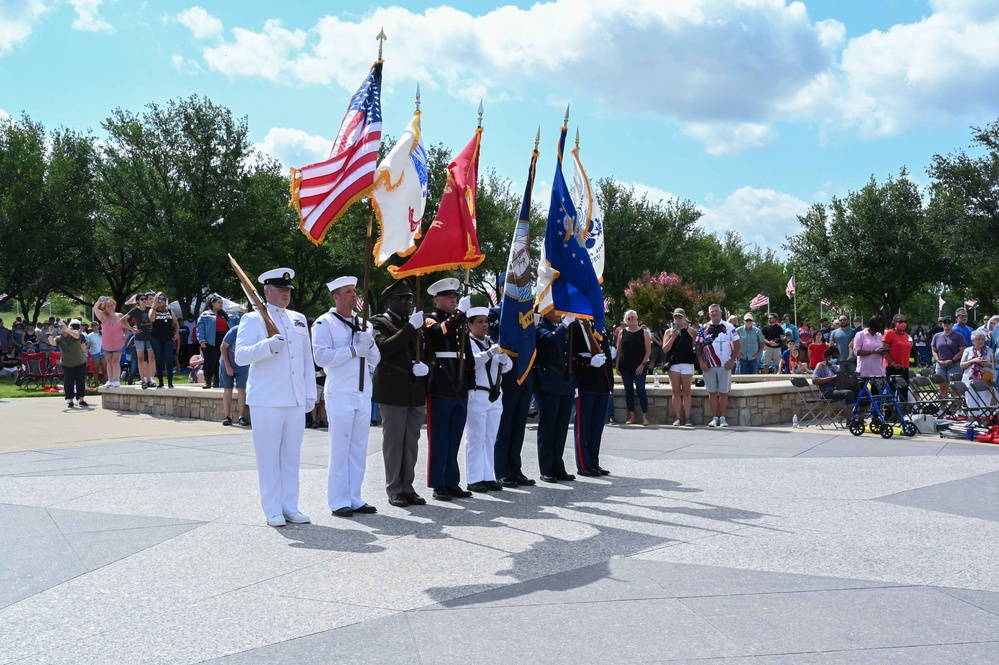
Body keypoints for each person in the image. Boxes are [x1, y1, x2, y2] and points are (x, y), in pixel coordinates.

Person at [234, 268, 315, 528]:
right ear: (266, 292)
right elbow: (241, 356)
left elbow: (306, 362)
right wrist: (267, 346)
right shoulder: (253, 319)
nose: (286, 294)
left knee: (291, 457)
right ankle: (272, 508)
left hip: (294, 398)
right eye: (281, 289)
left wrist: (310, 394)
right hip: (267, 399)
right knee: (269, 458)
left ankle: (290, 505)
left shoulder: (299, 319)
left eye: (288, 290)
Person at [312, 276, 381, 517]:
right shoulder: (324, 323)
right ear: (336, 296)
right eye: (348, 292)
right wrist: (352, 350)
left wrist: (368, 345)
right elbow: (320, 358)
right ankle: (339, 500)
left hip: (363, 391)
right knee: (340, 446)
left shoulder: (365, 325)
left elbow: (376, 360)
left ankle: (355, 497)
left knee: (359, 447)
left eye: (355, 291)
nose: (354, 295)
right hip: (340, 391)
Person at [370, 279, 430, 507]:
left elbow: (428, 353)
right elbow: (385, 347)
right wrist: (410, 328)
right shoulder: (378, 322)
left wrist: (427, 367)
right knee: (394, 443)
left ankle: (408, 486)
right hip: (392, 392)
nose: (407, 302)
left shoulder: (415, 324)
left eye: (409, 298)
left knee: (411, 443)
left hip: (415, 391)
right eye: (402, 298)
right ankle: (394, 488)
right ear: (390, 301)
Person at [423, 278, 475, 500]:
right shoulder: (429, 318)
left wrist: (470, 382)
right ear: (437, 300)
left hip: (459, 386)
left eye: (455, 297)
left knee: (454, 436)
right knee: (439, 437)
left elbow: (467, 353)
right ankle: (438, 483)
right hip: (441, 384)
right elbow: (438, 331)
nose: (453, 299)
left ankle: (452, 481)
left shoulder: (460, 322)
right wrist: (461, 314)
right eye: (448, 297)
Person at [464, 307, 513, 492]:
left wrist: (504, 359)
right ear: (469, 325)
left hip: (495, 394)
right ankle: (474, 478)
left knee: (490, 437)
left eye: (486, 321)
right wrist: (490, 354)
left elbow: (507, 368)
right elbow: (472, 362)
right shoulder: (468, 342)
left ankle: (487, 475)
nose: (484, 325)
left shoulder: (492, 341)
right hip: (477, 394)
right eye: (480, 322)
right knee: (476, 437)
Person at [535, 309, 576, 483]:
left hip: (564, 384)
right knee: (548, 427)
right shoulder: (539, 327)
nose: (558, 313)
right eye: (554, 309)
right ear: (545, 311)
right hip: (548, 384)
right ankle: (546, 469)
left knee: (560, 428)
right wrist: (565, 325)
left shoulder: (560, 328)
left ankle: (558, 466)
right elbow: (550, 340)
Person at [571, 321, 613, 476]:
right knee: (583, 427)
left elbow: (606, 356)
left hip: (602, 384)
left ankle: (593, 462)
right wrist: (588, 362)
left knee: (596, 428)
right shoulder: (576, 326)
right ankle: (583, 464)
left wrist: (610, 383)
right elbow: (571, 356)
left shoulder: (600, 326)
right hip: (585, 384)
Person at [696, 304, 740, 427]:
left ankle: (723, 418)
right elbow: (698, 346)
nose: (714, 313)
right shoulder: (703, 328)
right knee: (712, 392)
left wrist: (732, 360)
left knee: (724, 392)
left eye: (716, 311)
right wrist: (701, 361)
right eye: (712, 312)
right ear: (709, 313)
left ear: (720, 313)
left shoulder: (729, 327)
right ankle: (715, 417)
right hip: (709, 365)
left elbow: (737, 344)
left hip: (724, 365)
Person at [662, 308, 697, 427]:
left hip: (687, 363)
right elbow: (665, 349)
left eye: (680, 317)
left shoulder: (691, 331)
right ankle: (677, 417)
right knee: (676, 391)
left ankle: (687, 418)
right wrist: (672, 337)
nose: (678, 319)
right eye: (676, 317)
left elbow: (697, 347)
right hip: (674, 364)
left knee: (687, 391)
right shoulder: (668, 332)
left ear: (684, 318)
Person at [615, 310, 651, 425]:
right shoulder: (622, 333)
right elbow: (619, 350)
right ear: (626, 320)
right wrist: (617, 365)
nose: (633, 319)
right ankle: (632, 416)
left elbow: (648, 350)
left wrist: (642, 364)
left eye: (634, 317)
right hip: (626, 366)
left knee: (641, 389)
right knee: (628, 391)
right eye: (630, 318)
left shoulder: (644, 332)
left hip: (640, 366)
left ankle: (645, 416)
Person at [48, 319, 90, 408]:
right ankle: (69, 400)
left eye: (62, 325)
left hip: (80, 362)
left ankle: (81, 399)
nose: (61, 328)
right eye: (59, 326)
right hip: (67, 363)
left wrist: (67, 329)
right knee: (69, 381)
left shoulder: (74, 332)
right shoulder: (59, 338)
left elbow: (77, 336)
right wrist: (51, 334)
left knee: (80, 381)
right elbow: (52, 343)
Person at [93, 296, 129, 388]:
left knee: (115, 361)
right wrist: (99, 301)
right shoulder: (103, 316)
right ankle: (110, 380)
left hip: (118, 342)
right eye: (108, 306)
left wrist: (125, 338)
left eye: (112, 305)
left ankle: (116, 380)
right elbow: (95, 309)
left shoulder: (120, 316)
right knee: (109, 362)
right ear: (105, 307)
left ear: (115, 305)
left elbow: (127, 328)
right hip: (107, 344)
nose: (110, 307)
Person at [219, 319, 249, 427]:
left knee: (242, 389)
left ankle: (241, 417)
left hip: (243, 366)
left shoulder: (252, 334)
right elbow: (223, 347)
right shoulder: (234, 331)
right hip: (227, 363)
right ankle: (227, 416)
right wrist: (228, 366)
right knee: (228, 389)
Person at [197, 295, 231, 390]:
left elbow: (233, 323)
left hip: (223, 339)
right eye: (219, 303)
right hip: (210, 339)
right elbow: (200, 327)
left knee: (220, 361)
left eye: (222, 303)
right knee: (210, 361)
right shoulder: (206, 315)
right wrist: (201, 339)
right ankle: (208, 381)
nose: (221, 305)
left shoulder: (224, 315)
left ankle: (217, 381)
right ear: (213, 303)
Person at [811, 346, 855, 417]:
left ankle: (859, 417)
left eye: (837, 358)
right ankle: (849, 419)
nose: (835, 359)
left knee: (858, 391)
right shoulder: (821, 365)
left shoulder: (836, 367)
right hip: (826, 392)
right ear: (828, 356)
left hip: (837, 389)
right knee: (848, 393)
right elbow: (814, 380)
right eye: (833, 357)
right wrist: (832, 378)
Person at [960, 330, 994, 417]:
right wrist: (973, 361)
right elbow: (962, 365)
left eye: (982, 339)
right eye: (978, 339)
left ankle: (983, 419)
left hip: (985, 379)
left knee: (985, 400)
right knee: (971, 400)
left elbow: (995, 365)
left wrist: (987, 364)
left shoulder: (990, 350)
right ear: (973, 341)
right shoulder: (967, 350)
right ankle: (973, 421)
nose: (980, 341)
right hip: (970, 380)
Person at [149, 292, 180, 388]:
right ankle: (161, 382)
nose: (161, 301)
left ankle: (170, 382)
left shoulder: (170, 311)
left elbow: (176, 324)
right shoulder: (152, 310)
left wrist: (177, 333)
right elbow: (152, 319)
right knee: (159, 359)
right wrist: (154, 306)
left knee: (169, 359)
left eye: (163, 299)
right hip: (156, 338)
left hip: (168, 338)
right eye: (159, 299)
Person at [931, 316, 966, 398]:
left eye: (948, 322)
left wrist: (952, 360)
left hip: (954, 364)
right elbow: (934, 350)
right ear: (942, 324)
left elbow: (962, 350)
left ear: (952, 324)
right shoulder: (937, 336)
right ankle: (943, 409)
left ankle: (958, 408)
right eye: (944, 322)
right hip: (940, 364)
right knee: (942, 386)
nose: (946, 324)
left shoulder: (958, 335)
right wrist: (938, 360)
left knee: (954, 387)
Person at [126, 293, 155, 389]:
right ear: (138, 301)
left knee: (151, 358)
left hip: (150, 336)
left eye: (145, 299)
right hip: (139, 337)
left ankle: (150, 379)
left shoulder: (149, 309)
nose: (144, 300)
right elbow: (122, 320)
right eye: (142, 299)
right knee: (141, 358)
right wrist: (132, 329)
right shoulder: (135, 310)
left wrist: (154, 328)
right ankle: (143, 380)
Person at [881, 314, 912, 401]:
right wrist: (893, 363)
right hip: (892, 367)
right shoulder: (889, 333)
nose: (903, 324)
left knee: (904, 391)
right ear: (894, 323)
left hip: (904, 367)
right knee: (891, 391)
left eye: (905, 321)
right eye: (900, 322)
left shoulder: (906, 335)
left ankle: (903, 412)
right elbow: (884, 351)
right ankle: (889, 413)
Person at [854, 315, 887, 381]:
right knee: (866, 391)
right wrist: (873, 351)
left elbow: (881, 352)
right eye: (880, 326)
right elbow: (857, 352)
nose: (880, 328)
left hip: (878, 371)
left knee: (878, 391)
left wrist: (882, 352)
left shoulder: (879, 336)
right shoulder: (860, 334)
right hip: (865, 371)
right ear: (873, 325)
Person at [86, 321, 105, 386]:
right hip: (95, 354)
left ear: (98, 326)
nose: (95, 327)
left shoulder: (103, 333)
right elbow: (88, 345)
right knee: (96, 370)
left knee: (105, 370)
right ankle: (96, 385)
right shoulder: (89, 336)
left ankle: (106, 384)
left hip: (103, 353)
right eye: (93, 326)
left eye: (96, 325)